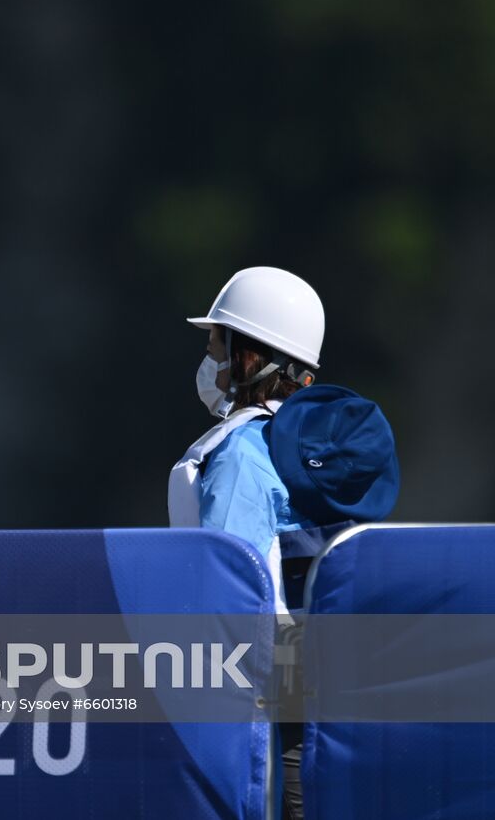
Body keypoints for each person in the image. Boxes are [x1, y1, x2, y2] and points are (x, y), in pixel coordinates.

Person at [169, 266, 399, 820]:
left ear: (250, 356)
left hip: (262, 713)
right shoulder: (320, 457)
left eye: (217, 344)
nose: (210, 360)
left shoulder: (240, 453)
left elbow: (230, 595)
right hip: (333, 695)